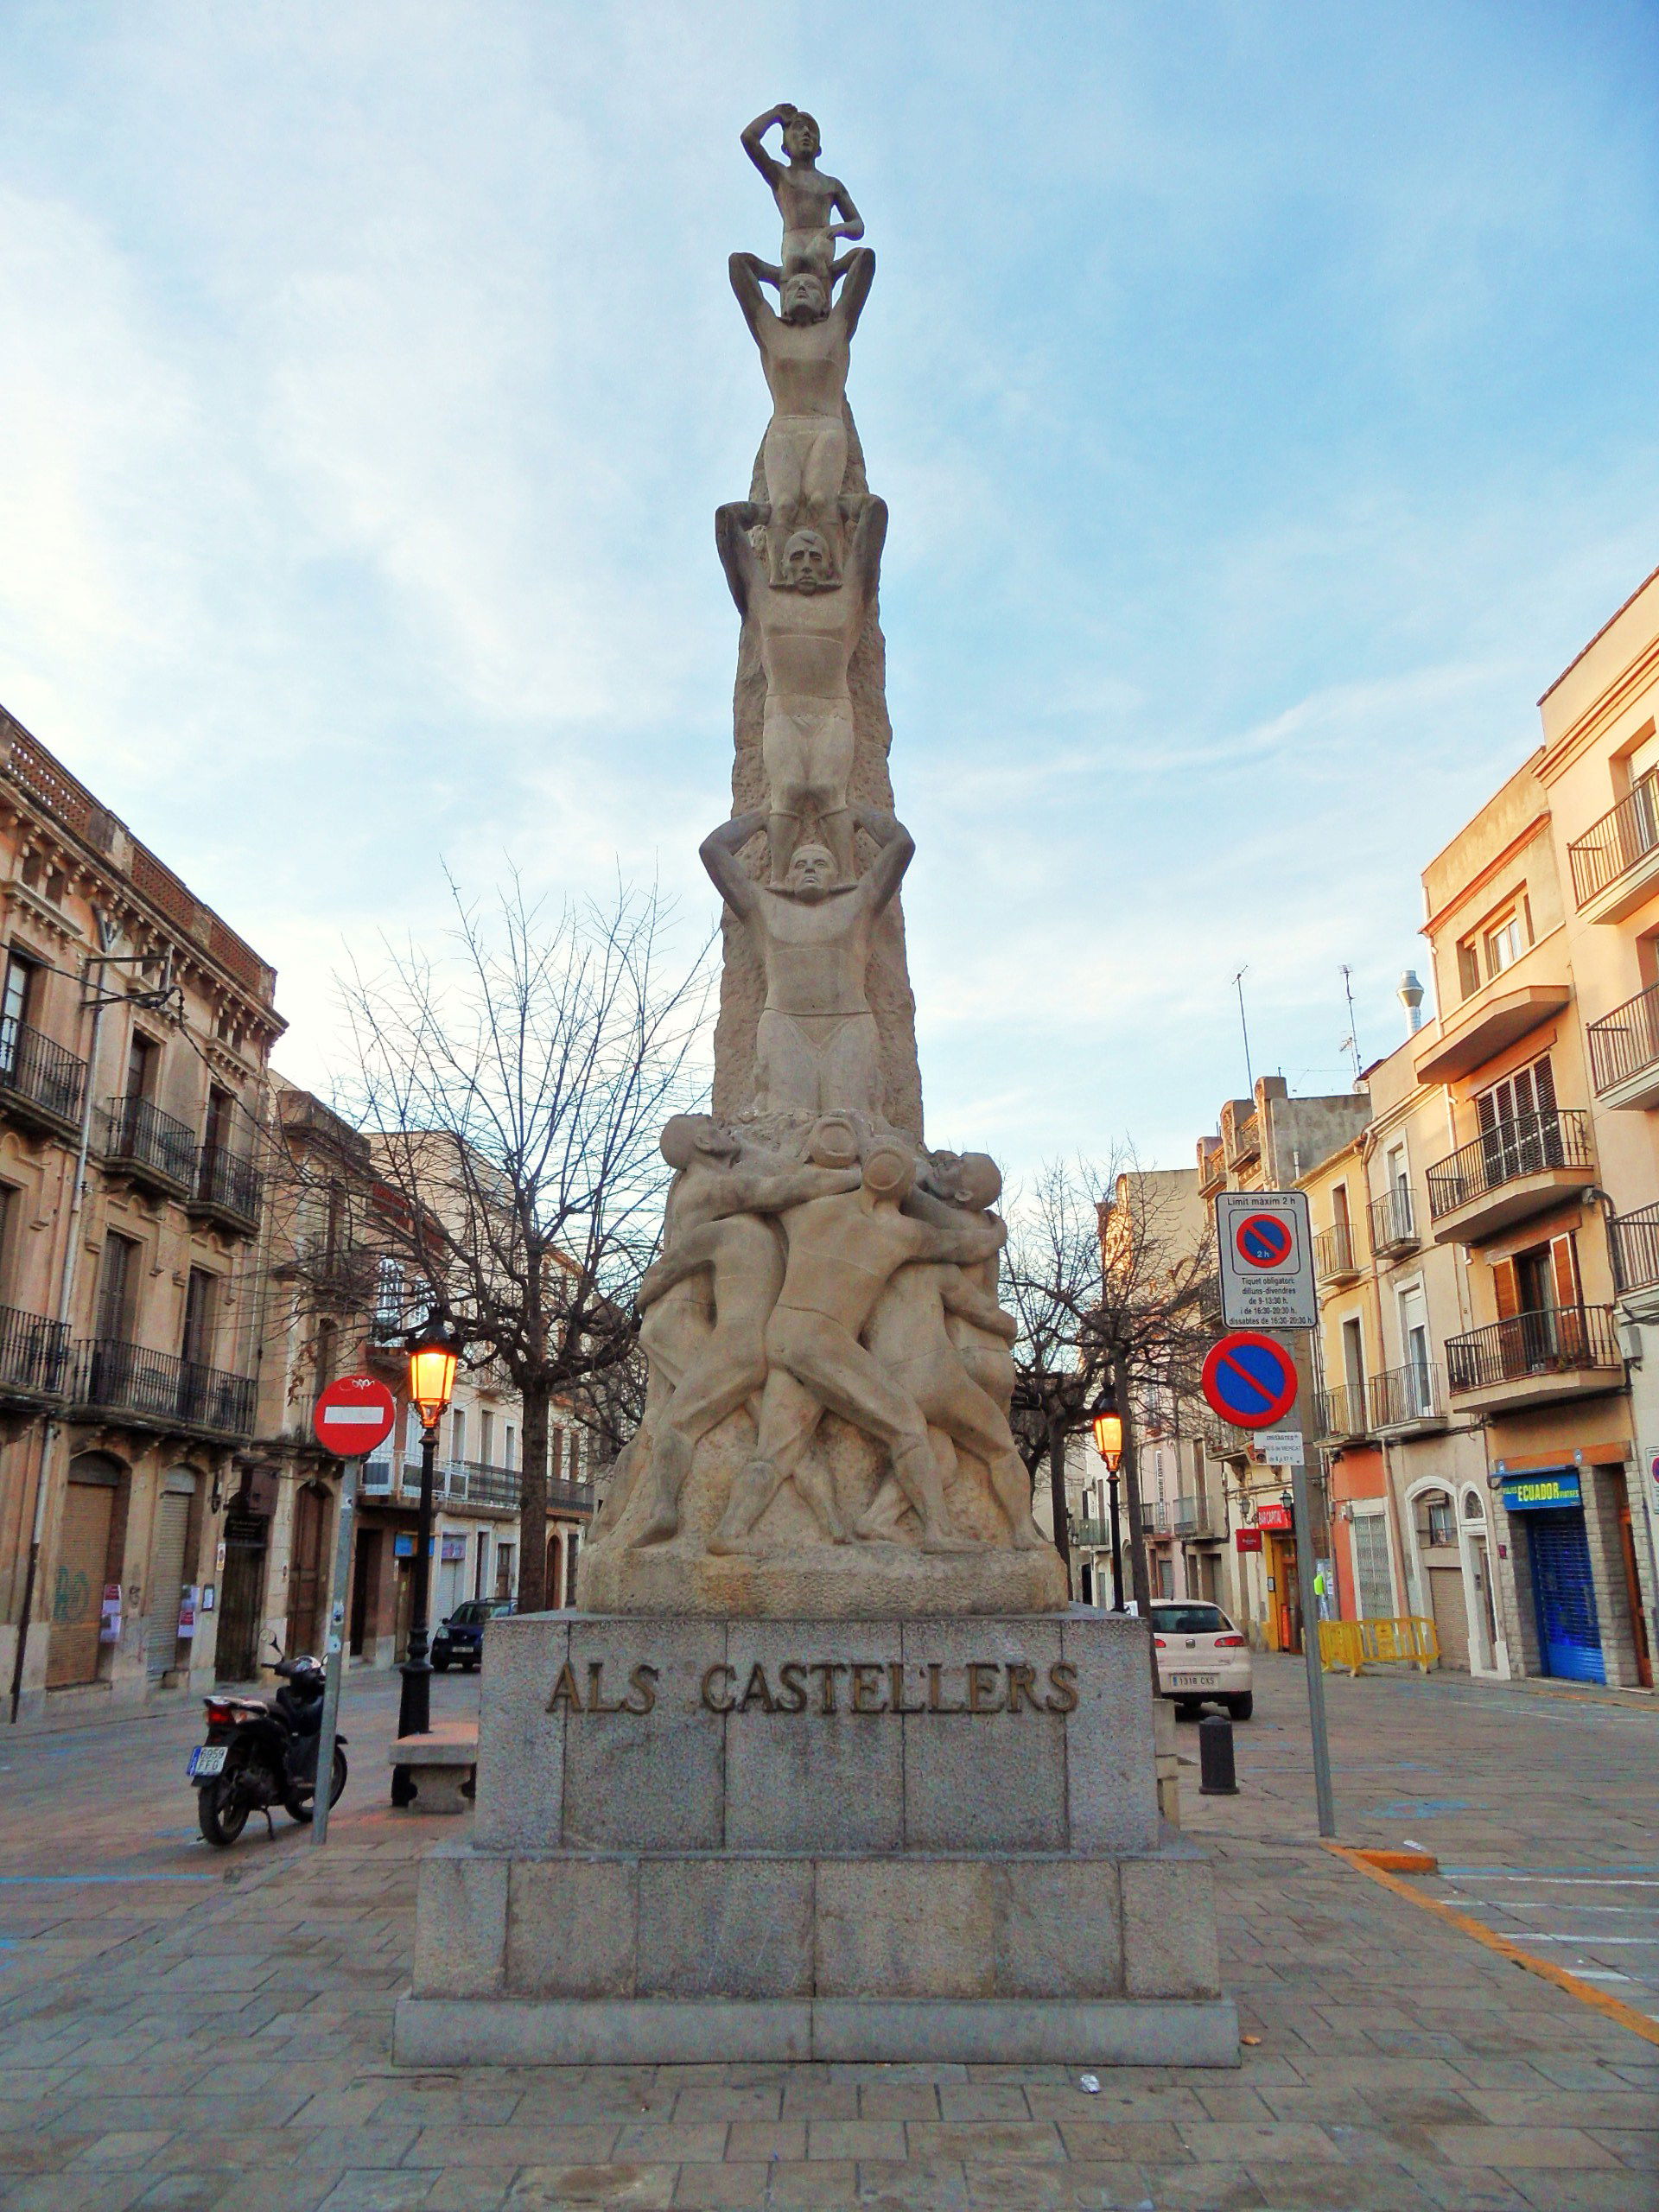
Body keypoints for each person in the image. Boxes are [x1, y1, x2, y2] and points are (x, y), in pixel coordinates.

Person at [709, 1140, 1003, 1556]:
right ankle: (938, 1530)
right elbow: (966, 1246)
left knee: (774, 1451)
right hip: (824, 1341)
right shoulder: (902, 1233)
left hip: (782, 1336)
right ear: (903, 1190)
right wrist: (997, 1230)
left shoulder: (811, 1210)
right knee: (908, 1426)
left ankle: (729, 1531)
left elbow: (758, 1192)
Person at [622, 1116, 862, 1545]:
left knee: (739, 1425)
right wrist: (857, 1177)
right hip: (685, 1325)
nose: (726, 1131)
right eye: (713, 1128)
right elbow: (777, 1191)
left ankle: (665, 1510)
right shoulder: (712, 1194)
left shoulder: (702, 1200)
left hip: (718, 1335)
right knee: (754, 1427)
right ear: (701, 1142)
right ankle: (831, 1521)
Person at [860, 1154, 1050, 1551]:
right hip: (971, 1358)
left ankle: (1020, 1532)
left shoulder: (947, 1237)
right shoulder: (970, 1232)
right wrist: (1009, 1324)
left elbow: (906, 1188)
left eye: (955, 1166)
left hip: (969, 1356)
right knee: (965, 1453)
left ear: (963, 1194)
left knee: (975, 1450)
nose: (942, 1164)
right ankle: (880, 1520)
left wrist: (879, 1159)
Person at [715, 492, 887, 884]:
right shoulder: (764, 601)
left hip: (831, 711)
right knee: (787, 791)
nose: (806, 565)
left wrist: (851, 507)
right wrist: (760, 513)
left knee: (829, 790)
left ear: (829, 565)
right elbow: (725, 524)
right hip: (784, 710)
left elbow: (875, 524)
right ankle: (778, 880)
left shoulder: (848, 601)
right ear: (782, 564)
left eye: (814, 557)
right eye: (796, 558)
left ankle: (844, 877)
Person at [700, 805, 912, 1118]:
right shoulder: (764, 907)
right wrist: (763, 818)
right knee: (785, 1122)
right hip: (786, 1024)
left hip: (848, 1023)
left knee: (852, 1122)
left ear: (837, 874)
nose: (810, 869)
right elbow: (712, 850)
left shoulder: (860, 903)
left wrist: (851, 811)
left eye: (821, 863)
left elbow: (901, 845)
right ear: (787, 875)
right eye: (800, 864)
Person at [728, 245, 875, 589]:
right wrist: (778, 274)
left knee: (822, 499)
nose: (801, 289)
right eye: (793, 288)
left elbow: (865, 260)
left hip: (825, 426)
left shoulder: (837, 327)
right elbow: (738, 267)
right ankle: (780, 578)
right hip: (785, 427)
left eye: (810, 287)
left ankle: (833, 571)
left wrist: (832, 270)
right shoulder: (771, 331)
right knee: (783, 504)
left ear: (825, 301)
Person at [740, 103, 864, 289]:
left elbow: (858, 225)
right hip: (793, 238)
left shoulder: (832, 184)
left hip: (822, 239)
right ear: (785, 148)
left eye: (812, 130)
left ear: (819, 148)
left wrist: (838, 229)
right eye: (798, 128)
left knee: (826, 258)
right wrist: (775, 115)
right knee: (793, 264)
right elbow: (749, 138)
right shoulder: (780, 175)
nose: (806, 132)